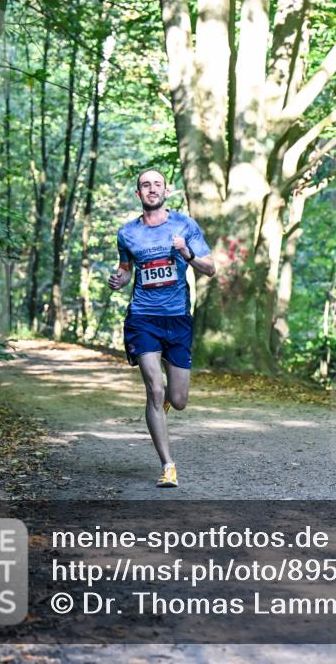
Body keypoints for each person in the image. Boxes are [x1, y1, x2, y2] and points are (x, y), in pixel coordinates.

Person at [108, 169, 215, 487]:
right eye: (145, 185)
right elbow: (125, 269)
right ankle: (168, 465)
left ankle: (167, 400)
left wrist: (186, 252)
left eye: (157, 184)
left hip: (177, 318)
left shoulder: (185, 225)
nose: (151, 189)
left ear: (166, 191)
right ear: (138, 194)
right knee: (154, 390)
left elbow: (210, 268)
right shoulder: (127, 233)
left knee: (178, 400)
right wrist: (119, 279)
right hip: (143, 318)